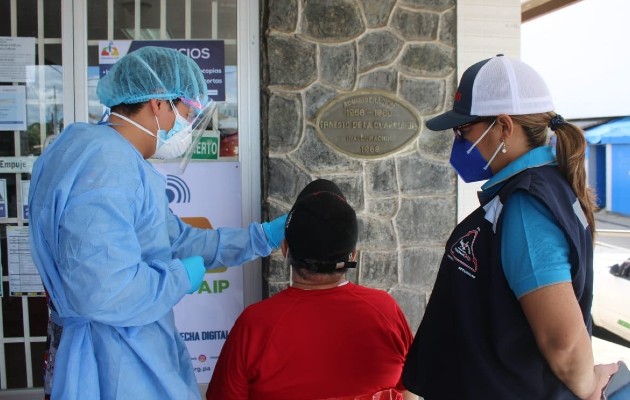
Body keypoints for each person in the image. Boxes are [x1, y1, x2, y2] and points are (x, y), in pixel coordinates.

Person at [28, 46, 287, 400]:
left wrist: (263, 237)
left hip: (113, 350)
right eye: (186, 112)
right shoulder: (108, 165)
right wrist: (181, 276)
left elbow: (176, 241)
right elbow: (104, 292)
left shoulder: (89, 150)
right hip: (116, 364)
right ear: (158, 103)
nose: (186, 126)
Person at [401, 54, 619, 399]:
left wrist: (591, 388)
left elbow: (561, 340)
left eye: (463, 130)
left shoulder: (526, 205)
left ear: (504, 127)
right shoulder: (533, 191)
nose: (458, 142)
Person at [206, 179, 417, 400]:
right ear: (352, 256)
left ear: (285, 249)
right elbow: (410, 389)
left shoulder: (254, 325)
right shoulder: (386, 310)